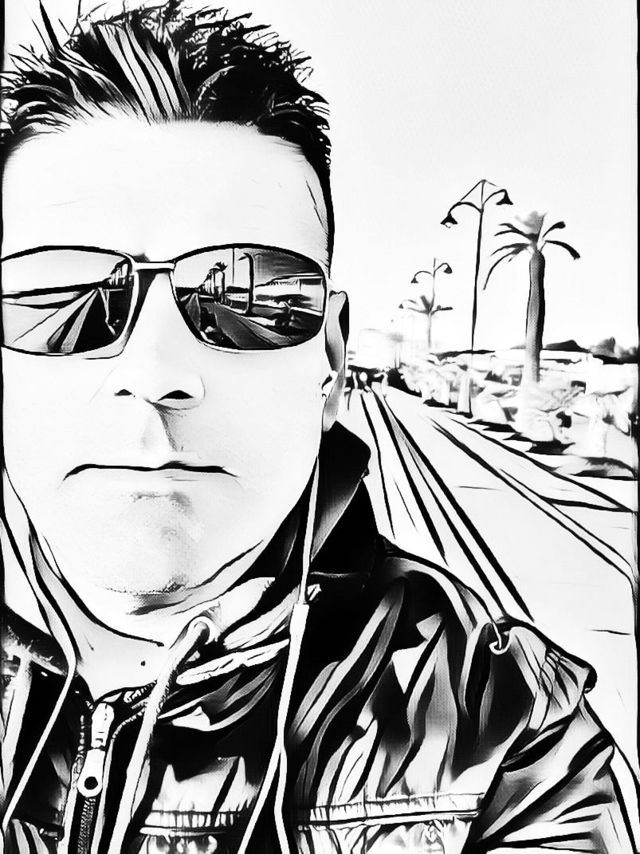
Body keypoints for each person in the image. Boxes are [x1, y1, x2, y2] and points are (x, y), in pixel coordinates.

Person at [0, 5, 634, 853]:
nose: (153, 374)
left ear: (330, 362)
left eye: (252, 300)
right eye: (61, 297)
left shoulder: (504, 726)